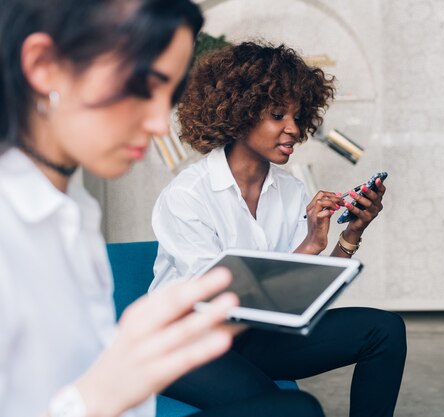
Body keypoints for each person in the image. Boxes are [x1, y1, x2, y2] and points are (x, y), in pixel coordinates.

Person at [0, 2, 324, 417]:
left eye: (167, 94)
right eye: (141, 86)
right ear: (44, 66)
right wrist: (105, 388)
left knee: (296, 408)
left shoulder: (74, 213)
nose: (157, 122)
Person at [150, 41, 407, 417]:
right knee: (283, 406)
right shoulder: (187, 195)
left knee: (384, 330)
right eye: (277, 115)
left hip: (254, 336)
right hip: (186, 344)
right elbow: (219, 302)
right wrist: (306, 249)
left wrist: (348, 236)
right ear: (238, 113)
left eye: (298, 116)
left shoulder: (289, 190)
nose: (293, 129)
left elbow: (298, 303)